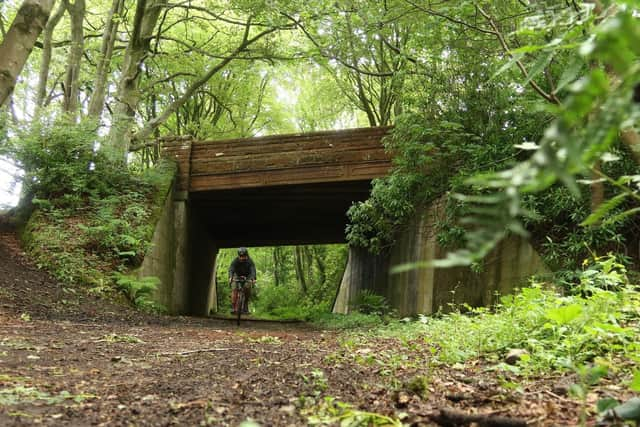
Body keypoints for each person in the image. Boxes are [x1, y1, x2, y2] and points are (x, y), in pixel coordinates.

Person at [228, 247, 256, 314]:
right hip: (237, 275)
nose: (242, 258)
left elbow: (253, 270)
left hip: (247, 276)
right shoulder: (235, 260)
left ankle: (245, 306)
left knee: (247, 287)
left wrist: (253, 278)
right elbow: (231, 268)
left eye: (244, 256)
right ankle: (233, 307)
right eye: (240, 256)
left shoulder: (250, 261)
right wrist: (230, 277)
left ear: (246, 255)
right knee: (234, 288)